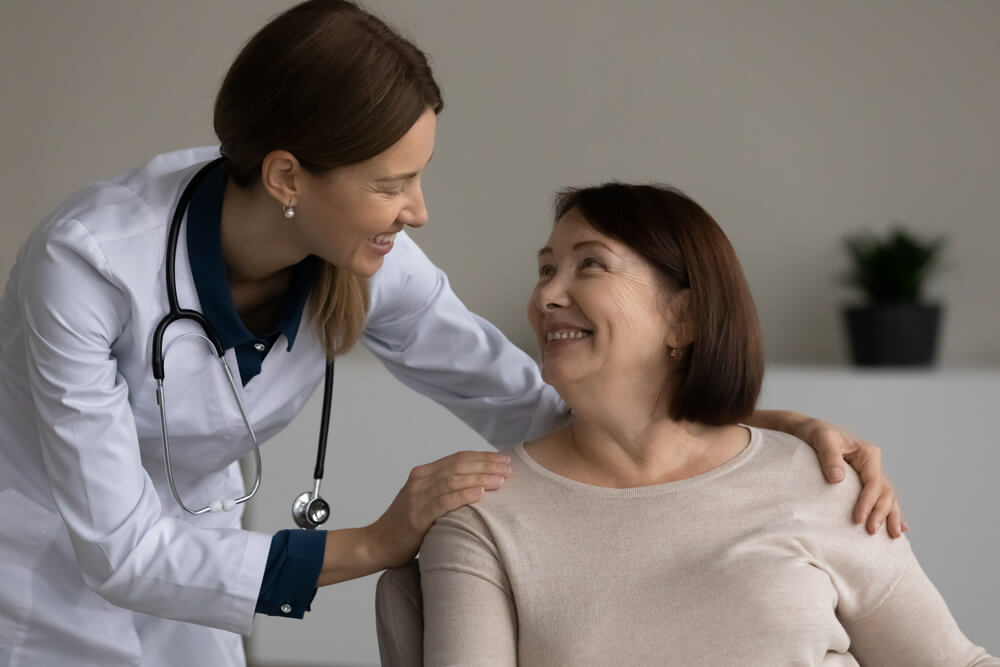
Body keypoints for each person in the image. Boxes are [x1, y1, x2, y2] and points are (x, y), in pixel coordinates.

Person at [0, 2, 899, 666]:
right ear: (287, 176)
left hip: (197, 574)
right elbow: (117, 549)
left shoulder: (366, 258)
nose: (418, 211)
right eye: (393, 182)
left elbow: (530, 403)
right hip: (38, 575)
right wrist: (376, 541)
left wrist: (759, 434)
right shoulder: (89, 266)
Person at [416, 183, 997, 666]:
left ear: (685, 318)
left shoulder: (818, 480)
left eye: (589, 264)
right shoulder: (482, 516)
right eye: (546, 270)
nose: (546, 294)